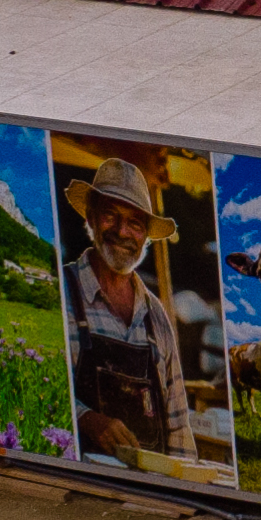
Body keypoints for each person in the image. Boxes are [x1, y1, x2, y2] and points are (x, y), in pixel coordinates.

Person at [63, 158, 193, 465]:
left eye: (135, 223)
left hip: (150, 492)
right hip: (82, 483)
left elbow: (177, 421)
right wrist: (85, 418)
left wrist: (185, 488)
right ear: (91, 218)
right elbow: (37, 397)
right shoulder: (61, 293)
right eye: (110, 215)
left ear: (146, 236)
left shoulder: (156, 314)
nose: (123, 232)